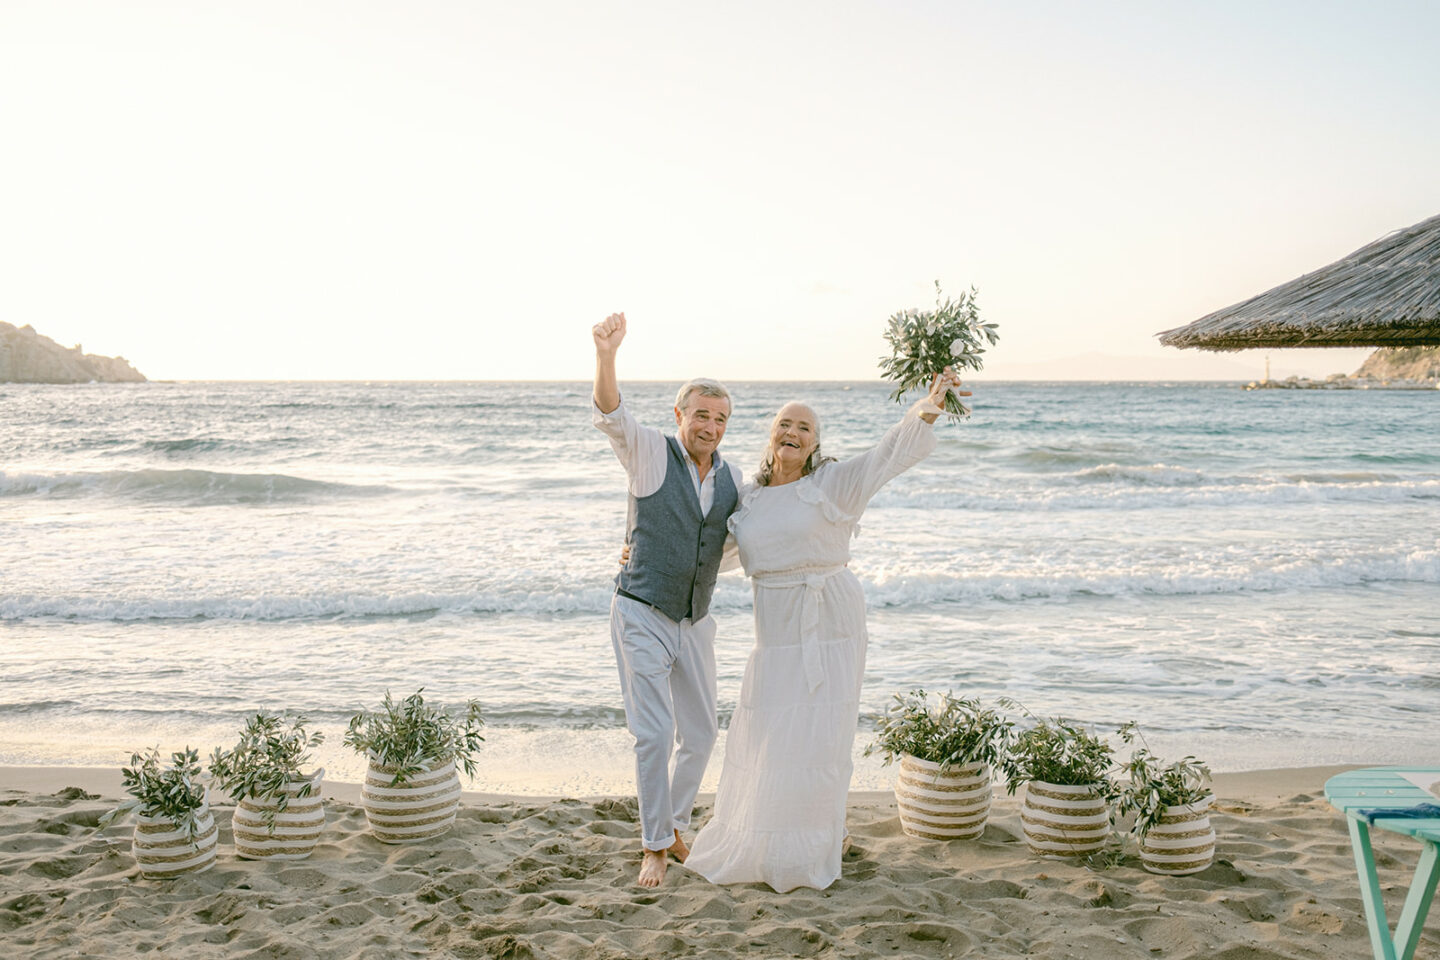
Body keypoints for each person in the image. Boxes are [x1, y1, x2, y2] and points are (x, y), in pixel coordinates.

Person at [682, 368, 967, 892]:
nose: (793, 432)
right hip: (776, 628)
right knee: (770, 731)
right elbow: (710, 552)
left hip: (831, 619)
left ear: (814, 444)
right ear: (771, 434)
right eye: (785, 423)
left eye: (805, 428)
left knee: (818, 738)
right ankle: (765, 839)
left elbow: (886, 456)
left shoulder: (831, 483)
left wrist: (926, 406)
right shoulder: (747, 498)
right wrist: (647, 556)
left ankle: (814, 843)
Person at [591, 311, 744, 888]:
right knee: (654, 732)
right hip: (641, 612)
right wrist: (607, 356)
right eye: (701, 414)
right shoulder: (651, 453)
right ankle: (654, 844)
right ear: (679, 415)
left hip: (695, 619)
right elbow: (611, 414)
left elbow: (735, 544)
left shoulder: (731, 482)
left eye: (721, 418)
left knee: (702, 733)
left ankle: (675, 824)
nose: (710, 426)